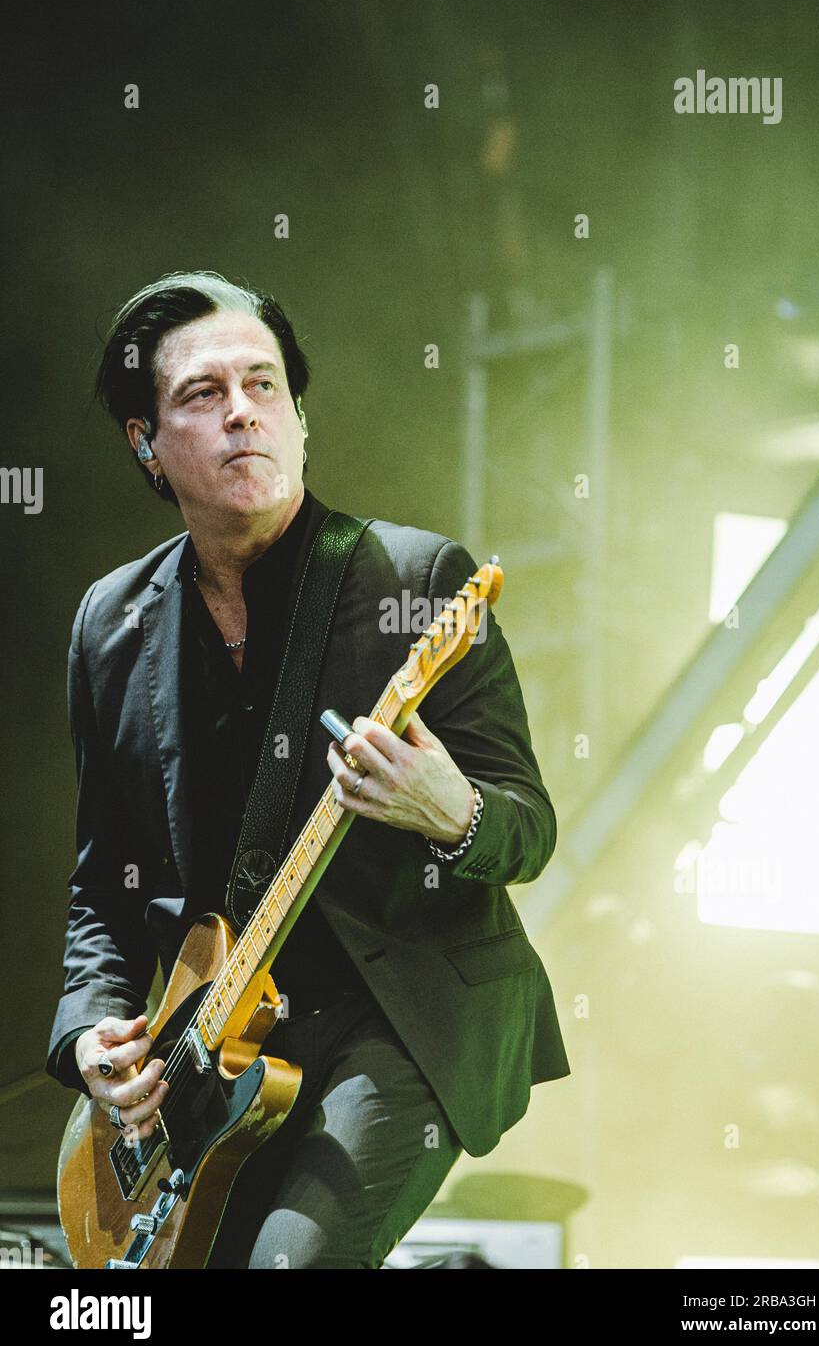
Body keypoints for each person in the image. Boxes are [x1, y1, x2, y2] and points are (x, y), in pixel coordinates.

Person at [45, 270, 571, 1268]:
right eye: (203, 394)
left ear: (299, 417)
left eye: (265, 385)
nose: (243, 412)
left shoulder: (413, 582)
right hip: (219, 1048)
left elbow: (526, 825)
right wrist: (86, 1040)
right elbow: (100, 883)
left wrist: (451, 810)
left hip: (398, 1015)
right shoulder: (108, 624)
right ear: (145, 442)